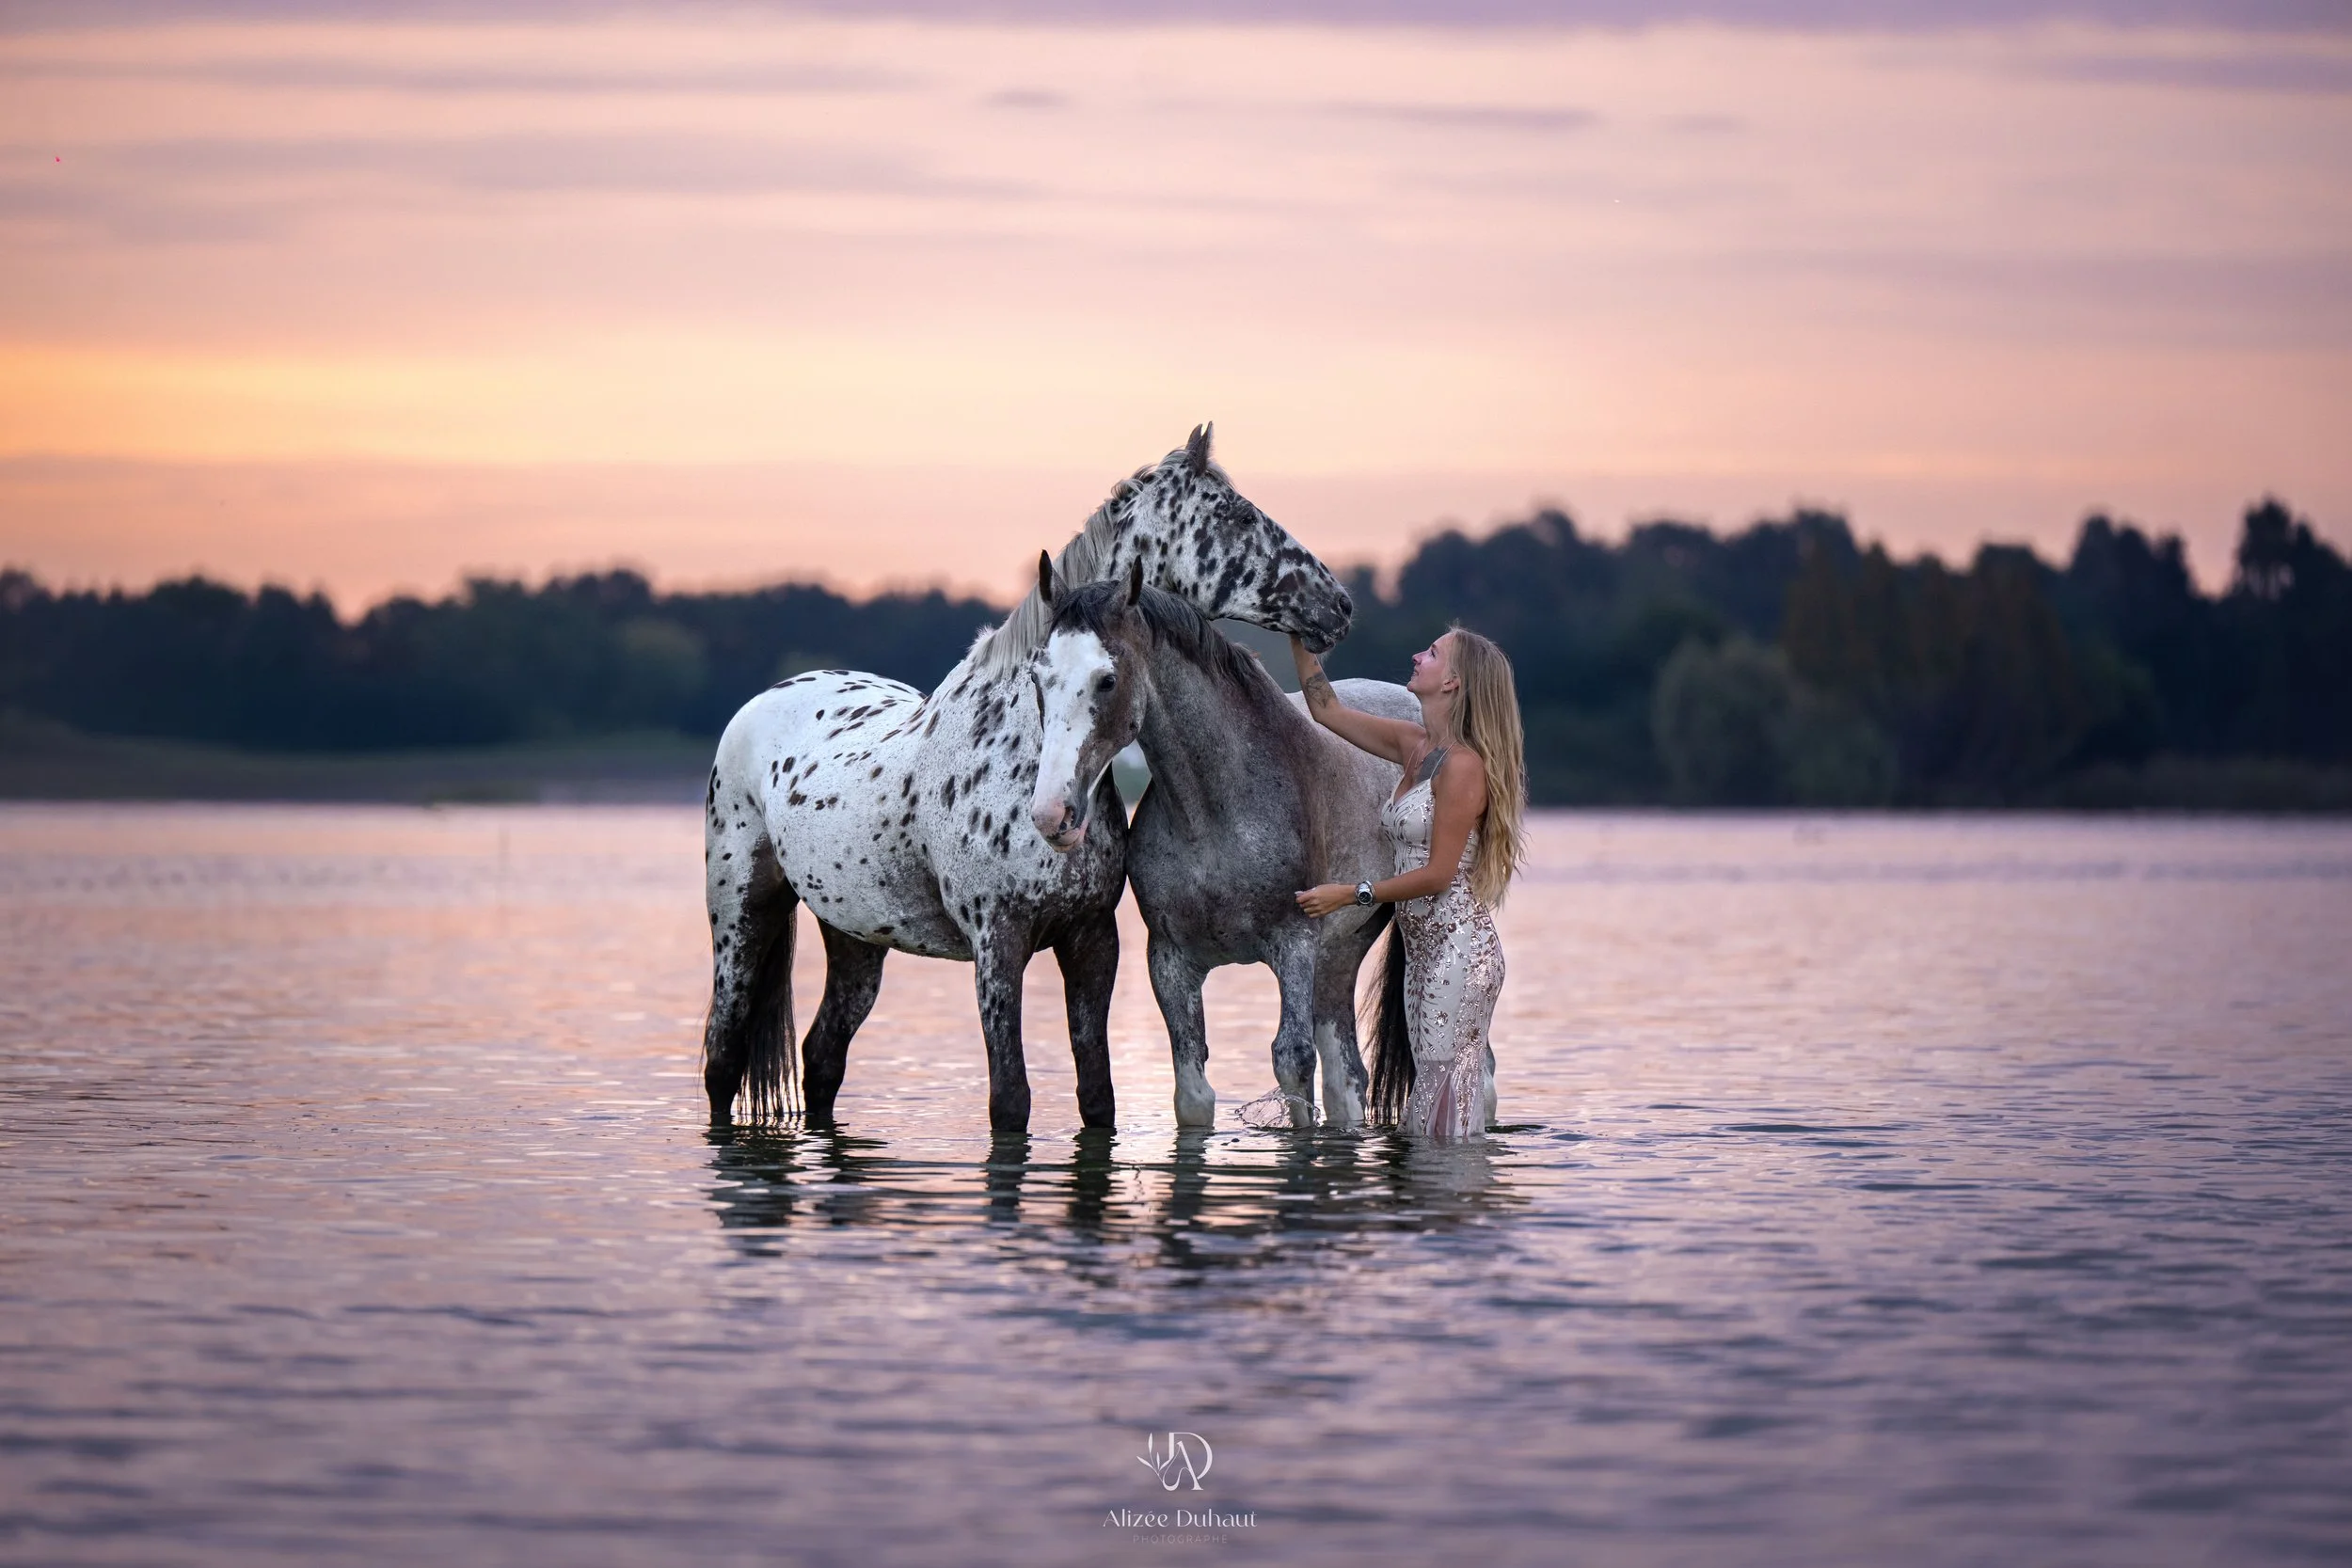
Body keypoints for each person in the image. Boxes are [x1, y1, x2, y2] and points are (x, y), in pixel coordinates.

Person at [1293, 628, 1526, 1139]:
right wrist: (1299, 635)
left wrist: (1350, 893)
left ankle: (1455, 1203)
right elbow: (1326, 710)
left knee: (1440, 1112)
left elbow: (1439, 875)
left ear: (1453, 683)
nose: (1418, 655)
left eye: (1433, 653)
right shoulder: (1414, 745)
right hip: (1423, 954)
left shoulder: (1464, 766)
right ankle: (1445, 1210)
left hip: (1460, 953)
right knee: (1434, 1114)